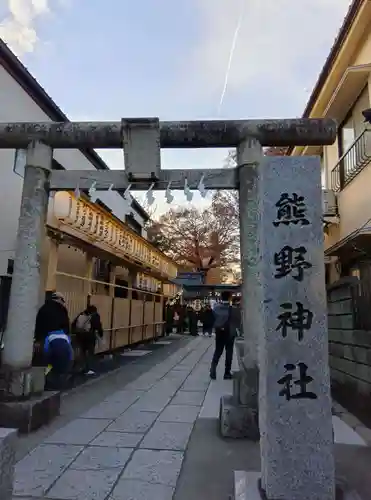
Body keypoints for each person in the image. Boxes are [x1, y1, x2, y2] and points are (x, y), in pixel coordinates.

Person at [34, 291, 73, 389]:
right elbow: (66, 325)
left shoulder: (43, 308)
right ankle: (56, 382)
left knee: (45, 361)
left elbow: (38, 325)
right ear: (60, 299)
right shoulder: (62, 309)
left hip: (44, 339)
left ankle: (44, 380)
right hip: (59, 339)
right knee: (63, 360)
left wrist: (38, 339)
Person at [209, 291, 241, 380]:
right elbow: (238, 321)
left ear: (221, 297)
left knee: (218, 351)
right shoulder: (234, 309)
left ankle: (213, 370)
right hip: (230, 332)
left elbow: (213, 318)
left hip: (219, 332)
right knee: (229, 352)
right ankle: (227, 373)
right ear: (230, 298)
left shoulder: (216, 308)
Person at [72, 304, 103, 376]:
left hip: (80, 336)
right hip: (90, 337)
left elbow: (73, 324)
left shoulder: (81, 314)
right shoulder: (95, 315)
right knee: (90, 353)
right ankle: (88, 369)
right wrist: (101, 334)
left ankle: (79, 367)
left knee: (81, 352)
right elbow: (98, 326)